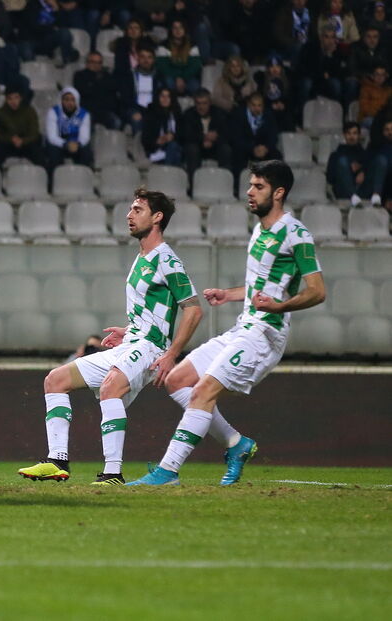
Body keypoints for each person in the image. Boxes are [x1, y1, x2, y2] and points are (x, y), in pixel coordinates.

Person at [128, 160, 326, 486]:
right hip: (243, 327)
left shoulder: (296, 234)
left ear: (279, 193)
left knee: (203, 391)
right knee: (178, 380)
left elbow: (317, 291)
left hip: (265, 334)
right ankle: (237, 444)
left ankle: (168, 471)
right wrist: (230, 294)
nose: (249, 192)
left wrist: (279, 305)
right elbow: (262, 288)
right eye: (250, 185)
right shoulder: (260, 231)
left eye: (258, 187)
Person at [18, 188, 204, 486]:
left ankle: (113, 473)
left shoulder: (167, 260)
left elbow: (193, 310)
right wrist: (128, 330)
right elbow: (152, 313)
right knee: (55, 380)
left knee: (110, 388)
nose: (129, 216)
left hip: (151, 348)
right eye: (130, 210)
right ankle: (57, 461)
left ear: (157, 217)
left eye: (138, 210)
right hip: (135, 341)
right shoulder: (141, 257)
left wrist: (171, 355)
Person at [229, 92, 282, 187]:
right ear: (249, 105)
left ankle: (273, 188)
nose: (257, 108)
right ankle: (237, 188)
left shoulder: (268, 115)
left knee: (276, 156)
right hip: (245, 148)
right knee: (236, 155)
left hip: (263, 149)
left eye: (259, 105)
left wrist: (266, 148)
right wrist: (252, 149)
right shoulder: (239, 114)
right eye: (254, 105)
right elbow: (236, 138)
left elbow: (273, 136)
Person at [180, 88, 231, 180]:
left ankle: (225, 182)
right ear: (195, 103)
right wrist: (204, 138)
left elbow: (227, 134)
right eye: (198, 103)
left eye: (204, 103)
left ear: (210, 103)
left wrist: (215, 139)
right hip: (197, 146)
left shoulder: (219, 114)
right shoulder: (188, 115)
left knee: (226, 149)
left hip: (215, 147)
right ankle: (193, 185)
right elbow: (185, 135)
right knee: (192, 149)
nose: (201, 107)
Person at [44, 86, 93, 169]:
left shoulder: (84, 114)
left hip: (76, 144)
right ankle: (54, 179)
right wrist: (66, 144)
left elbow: (84, 137)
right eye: (66, 99)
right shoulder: (53, 112)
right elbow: (52, 137)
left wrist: (77, 144)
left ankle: (83, 178)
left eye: (72, 100)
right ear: (62, 100)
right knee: (53, 152)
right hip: (59, 144)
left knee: (86, 152)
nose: (69, 103)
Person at [0, 87, 43, 166]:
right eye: (10, 99)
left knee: (37, 148)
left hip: (27, 142)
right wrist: (11, 139)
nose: (13, 101)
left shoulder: (29, 110)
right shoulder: (0, 113)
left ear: (21, 98)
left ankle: (44, 175)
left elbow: (34, 132)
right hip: (9, 143)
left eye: (16, 98)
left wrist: (23, 140)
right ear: (6, 99)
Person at [72, 51, 120, 130]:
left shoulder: (107, 76)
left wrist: (94, 85)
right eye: (93, 62)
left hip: (104, 111)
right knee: (87, 120)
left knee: (116, 121)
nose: (96, 65)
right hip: (88, 110)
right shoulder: (79, 75)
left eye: (99, 62)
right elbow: (85, 92)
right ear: (87, 63)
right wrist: (99, 85)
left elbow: (111, 94)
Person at [327, 121, 370, 204]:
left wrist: (362, 171)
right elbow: (330, 179)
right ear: (344, 135)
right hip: (343, 192)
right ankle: (353, 195)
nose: (351, 136)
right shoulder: (336, 155)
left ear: (359, 135)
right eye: (348, 133)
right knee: (342, 161)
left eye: (354, 133)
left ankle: (355, 196)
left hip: (361, 190)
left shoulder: (366, 154)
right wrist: (346, 169)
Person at [141, 87, 183, 165]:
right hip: (156, 149)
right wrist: (157, 141)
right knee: (175, 152)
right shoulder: (150, 113)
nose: (165, 99)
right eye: (162, 96)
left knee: (174, 147)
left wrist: (173, 136)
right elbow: (145, 139)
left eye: (168, 96)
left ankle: (168, 172)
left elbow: (183, 134)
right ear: (158, 98)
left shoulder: (177, 113)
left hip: (175, 146)